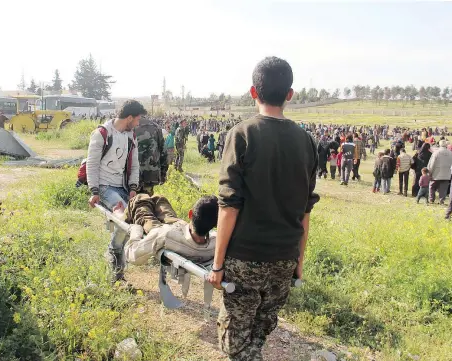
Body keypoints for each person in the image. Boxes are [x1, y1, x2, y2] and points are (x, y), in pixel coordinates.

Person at [206, 56, 319, 361]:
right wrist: (299, 260)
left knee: (237, 344)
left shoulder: (242, 134)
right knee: (258, 334)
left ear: (253, 92)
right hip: (284, 257)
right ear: (290, 94)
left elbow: (229, 205)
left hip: (245, 259)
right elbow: (306, 211)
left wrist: (217, 265)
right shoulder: (306, 141)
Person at [86, 99, 146, 281]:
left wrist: (133, 187)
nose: (138, 123)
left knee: (130, 221)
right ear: (129, 118)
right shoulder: (102, 133)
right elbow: (92, 163)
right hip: (105, 185)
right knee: (124, 219)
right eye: (137, 120)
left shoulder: (131, 136)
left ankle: (116, 266)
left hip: (123, 186)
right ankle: (114, 259)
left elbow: (135, 165)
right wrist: (94, 190)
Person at [114, 194, 218, 265]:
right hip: (179, 228)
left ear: (190, 214)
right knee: (159, 198)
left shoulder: (164, 236)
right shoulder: (217, 243)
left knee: (140, 198)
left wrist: (135, 229)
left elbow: (132, 254)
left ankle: (120, 214)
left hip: (162, 230)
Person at [135, 116, 168, 196]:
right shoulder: (156, 127)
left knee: (132, 202)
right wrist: (163, 172)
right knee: (147, 202)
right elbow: (163, 151)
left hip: (134, 174)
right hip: (151, 173)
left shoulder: (130, 126)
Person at [427, 140, 452, 205]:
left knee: (432, 186)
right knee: (443, 188)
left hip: (436, 173)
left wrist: (430, 172)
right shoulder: (450, 153)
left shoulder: (436, 152)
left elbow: (432, 163)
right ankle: (442, 200)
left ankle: (431, 199)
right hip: (447, 173)